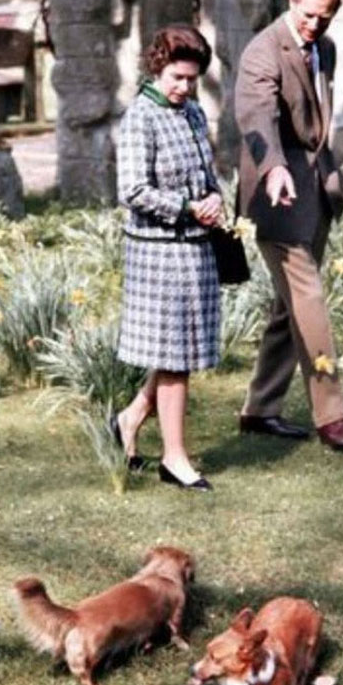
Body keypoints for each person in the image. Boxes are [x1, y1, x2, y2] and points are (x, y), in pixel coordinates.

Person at [234, 0, 343, 451]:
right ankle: (333, 418)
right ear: (292, 0)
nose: (314, 25)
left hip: (316, 192)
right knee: (309, 300)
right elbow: (256, 116)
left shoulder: (325, 48)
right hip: (276, 196)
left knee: (287, 305)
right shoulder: (262, 51)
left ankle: (260, 408)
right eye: (308, 14)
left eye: (324, 17)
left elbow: (315, 118)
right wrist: (273, 167)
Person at [114, 24, 222, 492]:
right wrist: (186, 208)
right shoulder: (140, 117)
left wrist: (214, 198)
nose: (184, 87)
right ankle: (174, 457)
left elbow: (207, 173)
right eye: (177, 77)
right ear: (157, 67)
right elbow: (132, 190)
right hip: (158, 253)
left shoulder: (193, 112)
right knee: (175, 358)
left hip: (196, 248)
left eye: (192, 79)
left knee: (179, 352)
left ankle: (130, 417)